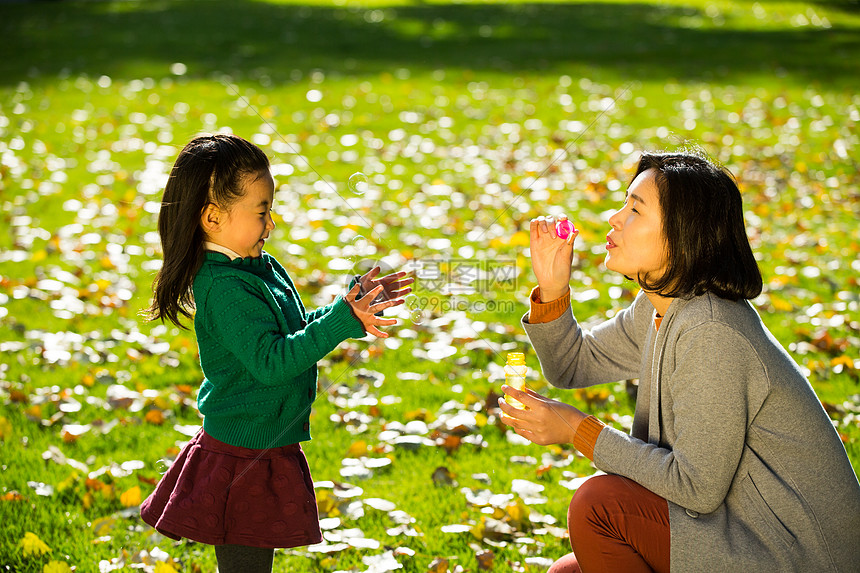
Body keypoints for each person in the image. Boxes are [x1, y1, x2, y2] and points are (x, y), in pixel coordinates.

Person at [499, 151, 860, 572]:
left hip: (797, 554)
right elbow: (571, 364)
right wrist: (553, 288)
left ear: (683, 234)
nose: (615, 218)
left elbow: (697, 486)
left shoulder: (712, 331)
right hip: (739, 530)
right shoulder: (660, 306)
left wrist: (579, 430)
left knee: (599, 507)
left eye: (635, 209)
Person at [140, 133, 413, 572]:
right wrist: (342, 318)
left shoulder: (257, 267)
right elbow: (272, 362)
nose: (271, 225)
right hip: (241, 451)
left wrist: (352, 311)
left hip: (265, 441)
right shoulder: (223, 287)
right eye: (262, 211)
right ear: (212, 217)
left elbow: (295, 332)